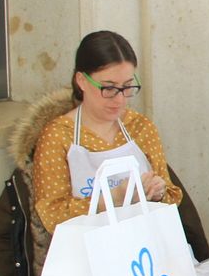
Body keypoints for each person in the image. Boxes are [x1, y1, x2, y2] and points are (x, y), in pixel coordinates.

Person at [31, 30, 181, 233]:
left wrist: (158, 192)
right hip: (86, 253)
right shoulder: (58, 136)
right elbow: (52, 215)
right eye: (108, 88)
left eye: (127, 87)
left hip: (143, 246)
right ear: (81, 81)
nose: (119, 99)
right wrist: (112, 199)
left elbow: (172, 195)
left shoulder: (140, 127)